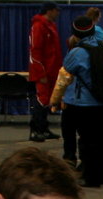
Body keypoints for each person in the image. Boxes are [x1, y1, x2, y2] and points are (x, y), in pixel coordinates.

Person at [60, 15, 103, 188]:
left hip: (84, 103)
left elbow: (65, 74)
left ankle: (90, 177)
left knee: (87, 141)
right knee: (101, 140)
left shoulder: (76, 52)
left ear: (75, 33)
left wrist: (56, 100)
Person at [28, 2, 63, 143]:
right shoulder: (39, 26)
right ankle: (35, 131)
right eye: (56, 11)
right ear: (49, 11)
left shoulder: (50, 26)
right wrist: (40, 73)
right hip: (43, 72)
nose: (58, 13)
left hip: (51, 71)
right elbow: (35, 51)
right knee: (41, 101)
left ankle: (43, 129)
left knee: (47, 101)